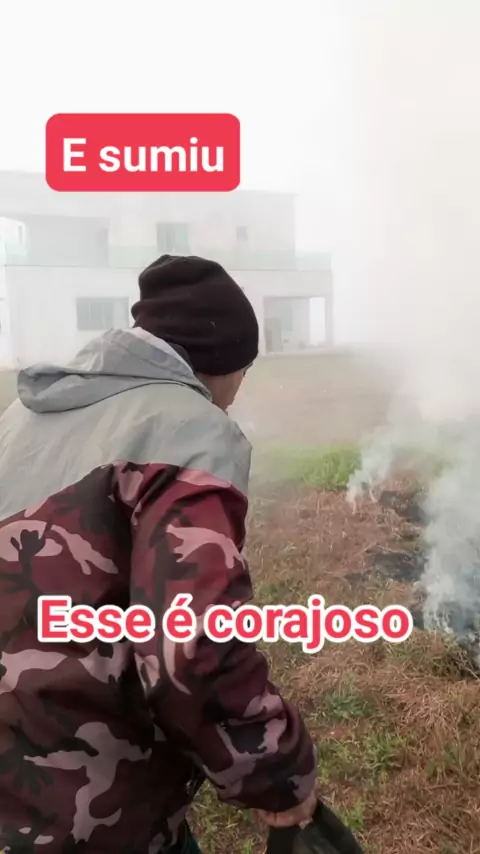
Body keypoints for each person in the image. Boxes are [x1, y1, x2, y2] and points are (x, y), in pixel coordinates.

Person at [0, 255, 317, 854]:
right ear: (221, 362)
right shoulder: (190, 430)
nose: (235, 393)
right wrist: (278, 773)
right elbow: (192, 649)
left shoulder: (25, 417)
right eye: (243, 372)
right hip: (92, 804)